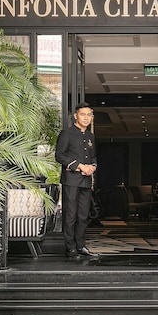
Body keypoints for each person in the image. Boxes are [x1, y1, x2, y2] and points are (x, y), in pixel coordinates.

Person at [55, 102, 99, 260]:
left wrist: (92, 167)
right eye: (83, 114)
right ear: (75, 116)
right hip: (71, 180)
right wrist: (80, 166)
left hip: (86, 181)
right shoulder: (66, 133)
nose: (86, 118)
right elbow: (59, 155)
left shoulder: (90, 136)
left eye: (89, 115)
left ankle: (80, 245)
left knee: (83, 215)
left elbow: (93, 157)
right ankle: (70, 247)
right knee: (70, 215)